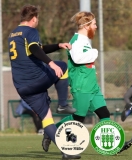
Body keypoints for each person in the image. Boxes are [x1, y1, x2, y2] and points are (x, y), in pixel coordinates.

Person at [8, 5, 79, 159]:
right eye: (37, 19)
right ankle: (62, 104)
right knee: (63, 66)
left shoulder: (13, 34)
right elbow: (34, 48)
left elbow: (36, 48)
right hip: (36, 78)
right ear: (33, 19)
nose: (38, 21)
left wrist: (58, 45)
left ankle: (66, 152)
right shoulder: (31, 31)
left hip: (22, 87)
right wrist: (51, 63)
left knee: (47, 119)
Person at [42, 11, 111, 156]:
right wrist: (95, 53)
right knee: (78, 118)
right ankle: (50, 131)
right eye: (94, 24)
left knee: (105, 114)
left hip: (92, 86)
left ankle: (111, 145)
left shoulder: (85, 40)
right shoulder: (76, 41)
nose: (96, 27)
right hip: (82, 86)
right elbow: (79, 59)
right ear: (86, 26)